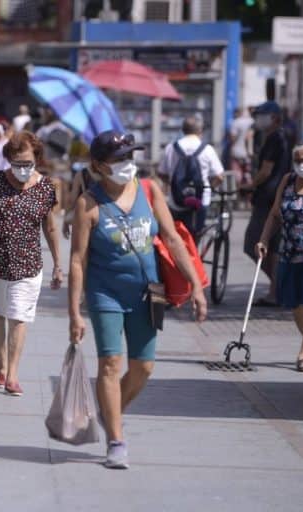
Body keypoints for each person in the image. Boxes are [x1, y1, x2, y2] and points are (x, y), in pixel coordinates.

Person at [68, 130, 207, 469]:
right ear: (99, 165)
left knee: (143, 366)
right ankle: (117, 440)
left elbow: (173, 240)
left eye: (130, 157)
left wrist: (197, 287)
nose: (127, 165)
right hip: (106, 294)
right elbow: (77, 260)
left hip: (151, 291)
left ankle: (110, 410)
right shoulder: (89, 204)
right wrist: (74, 311)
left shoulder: (149, 190)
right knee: (110, 365)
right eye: (119, 159)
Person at [0, 131, 64, 397]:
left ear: (37, 158)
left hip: (27, 264)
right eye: (17, 163)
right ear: (8, 160)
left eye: (27, 163)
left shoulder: (46, 188)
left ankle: (13, 374)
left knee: (19, 317)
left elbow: (50, 229)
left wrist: (58, 264)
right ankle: (2, 364)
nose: (22, 169)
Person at [257, 144, 303, 372]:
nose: (302, 164)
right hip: (288, 252)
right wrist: (264, 240)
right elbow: (275, 214)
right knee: (294, 303)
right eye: (298, 160)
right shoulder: (287, 180)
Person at [241, 101, 292, 306]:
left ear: (275, 118)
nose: (259, 119)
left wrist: (250, 185)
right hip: (276, 196)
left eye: (263, 115)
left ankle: (280, 287)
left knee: (255, 242)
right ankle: (277, 289)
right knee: (272, 247)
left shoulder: (275, 138)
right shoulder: (278, 137)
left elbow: (266, 171)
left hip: (269, 198)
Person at [158, 115, 224, 239]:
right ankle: (194, 254)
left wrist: (172, 183)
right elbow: (219, 176)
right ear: (200, 131)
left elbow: (161, 173)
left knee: (178, 235)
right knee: (195, 236)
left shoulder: (171, 147)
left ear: (182, 130)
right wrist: (209, 188)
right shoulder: (207, 149)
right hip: (201, 200)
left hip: (176, 200)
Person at [229, 107, 254, 194]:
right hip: (249, 154)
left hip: (237, 153)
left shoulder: (236, 122)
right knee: (248, 176)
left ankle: (239, 198)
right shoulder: (251, 121)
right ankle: (249, 201)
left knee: (237, 177)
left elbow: (233, 138)